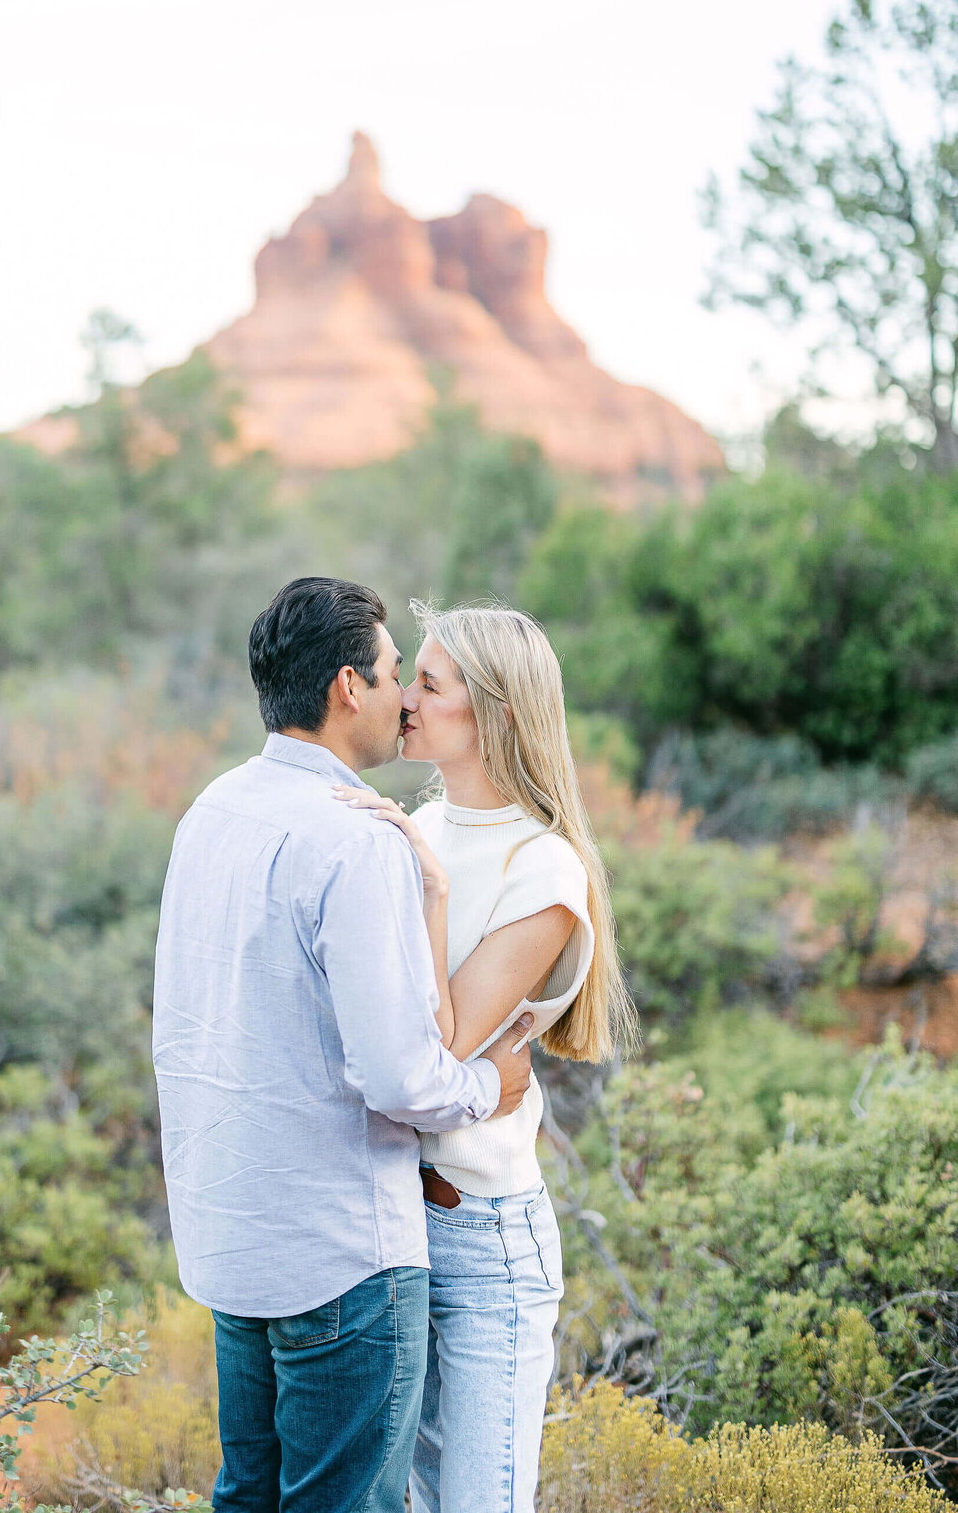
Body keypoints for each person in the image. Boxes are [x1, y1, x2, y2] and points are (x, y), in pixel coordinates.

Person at [151, 577, 535, 1513]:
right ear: (346, 688)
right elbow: (401, 1078)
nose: (408, 696)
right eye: (397, 672)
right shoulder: (355, 840)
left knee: (249, 1496)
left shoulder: (213, 811)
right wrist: (493, 1084)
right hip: (340, 1260)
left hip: (231, 1243)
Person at [334, 600, 638, 1513]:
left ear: (496, 715)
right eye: (408, 679)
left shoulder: (543, 869)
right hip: (387, 1221)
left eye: (428, 684)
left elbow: (442, 1044)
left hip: (482, 1239)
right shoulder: (415, 825)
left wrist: (423, 893)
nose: (406, 702)